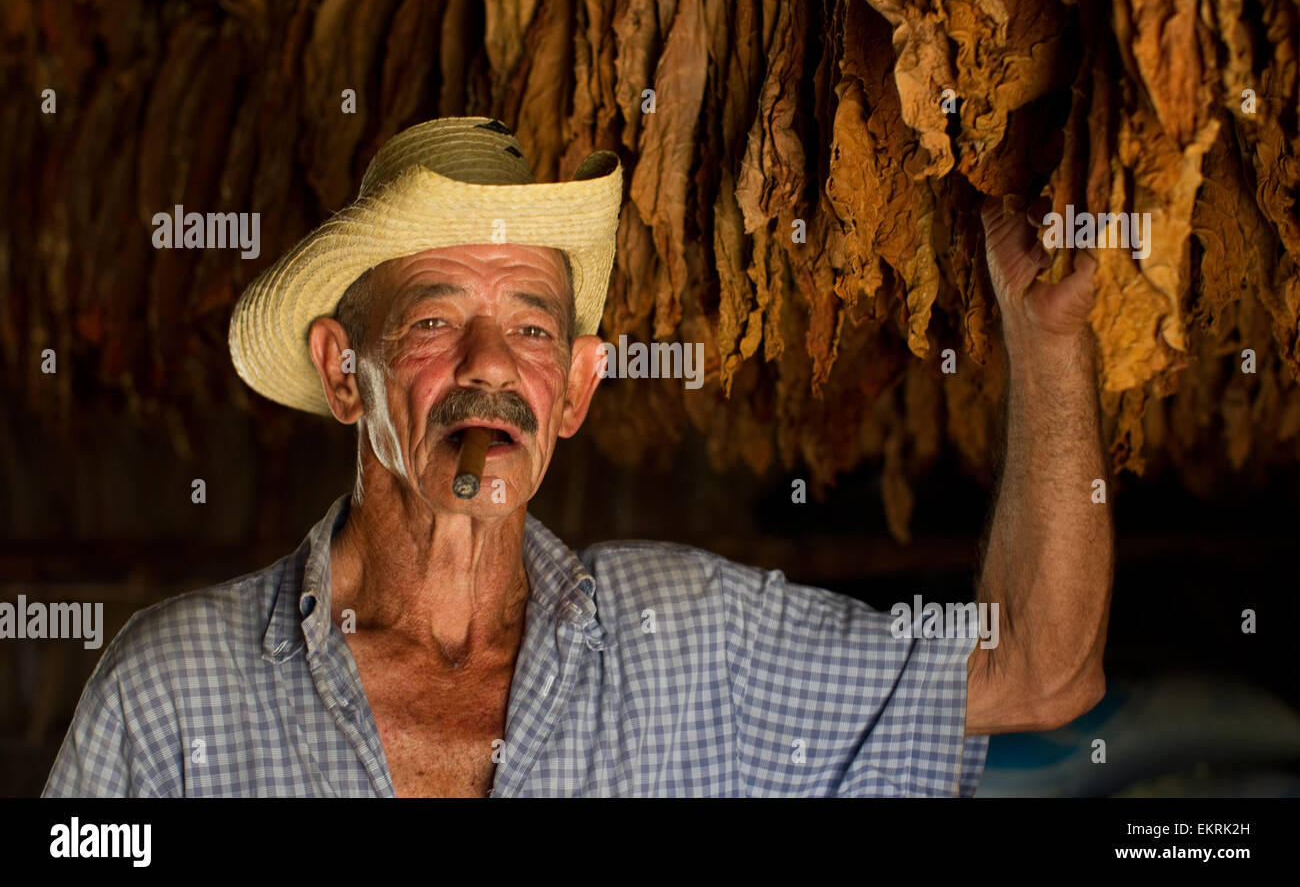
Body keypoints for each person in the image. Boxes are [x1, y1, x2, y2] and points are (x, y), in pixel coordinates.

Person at [44, 117, 1111, 797]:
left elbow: (1038, 674)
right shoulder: (176, 690)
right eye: (432, 320)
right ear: (340, 370)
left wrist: (1049, 344)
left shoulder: (695, 647)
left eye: (534, 328)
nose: (490, 365)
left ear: (576, 390)